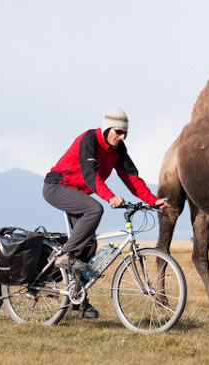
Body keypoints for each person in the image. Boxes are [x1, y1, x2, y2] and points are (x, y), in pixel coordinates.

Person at [43, 107, 170, 318]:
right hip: (57, 186)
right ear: (106, 128)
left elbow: (131, 178)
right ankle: (65, 255)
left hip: (77, 192)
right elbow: (90, 175)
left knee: (89, 244)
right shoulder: (89, 139)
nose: (121, 137)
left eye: (125, 134)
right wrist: (110, 197)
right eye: (118, 132)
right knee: (95, 209)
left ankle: (78, 300)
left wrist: (152, 200)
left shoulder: (118, 149)